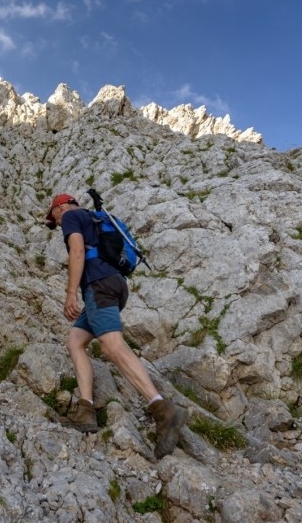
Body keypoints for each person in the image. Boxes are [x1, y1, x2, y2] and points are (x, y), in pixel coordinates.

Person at [45, 193, 189, 459]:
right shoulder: (95, 218)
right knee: (76, 340)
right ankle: (86, 409)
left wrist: (70, 293)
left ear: (61, 206)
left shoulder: (71, 217)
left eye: (53, 216)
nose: (54, 222)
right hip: (115, 284)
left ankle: (163, 409)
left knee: (111, 346)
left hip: (98, 285)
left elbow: (77, 251)